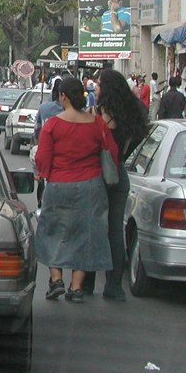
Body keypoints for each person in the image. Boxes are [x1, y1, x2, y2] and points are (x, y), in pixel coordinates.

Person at [34, 75, 118, 303]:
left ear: (62, 96)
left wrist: (45, 176)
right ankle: (77, 287)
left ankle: (55, 279)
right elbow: (111, 151)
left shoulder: (52, 124)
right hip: (91, 186)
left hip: (59, 183)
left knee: (53, 230)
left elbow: (43, 158)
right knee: (86, 234)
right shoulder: (97, 123)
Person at [82, 68, 150, 300]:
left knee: (93, 228)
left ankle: (86, 282)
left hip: (96, 174)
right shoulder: (133, 113)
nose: (95, 88)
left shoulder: (96, 115)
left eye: (98, 84)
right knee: (114, 231)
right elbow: (136, 141)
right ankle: (113, 285)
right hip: (119, 174)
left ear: (107, 88)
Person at [32, 81, 63, 214]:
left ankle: (40, 204)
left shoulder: (44, 108)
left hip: (44, 151)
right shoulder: (79, 113)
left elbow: (37, 129)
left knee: (39, 174)